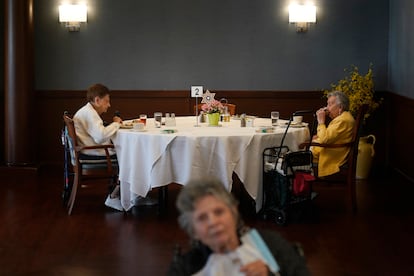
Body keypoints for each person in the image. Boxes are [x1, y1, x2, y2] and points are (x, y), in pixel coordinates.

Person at [168, 179, 310, 276]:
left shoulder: (269, 245)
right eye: (202, 218)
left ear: (234, 212)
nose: (213, 222)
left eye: (219, 212)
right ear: (193, 231)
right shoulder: (185, 269)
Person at [74, 83, 156, 211]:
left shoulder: (87, 111)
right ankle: (116, 196)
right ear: (97, 100)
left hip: (90, 150)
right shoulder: (89, 113)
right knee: (134, 158)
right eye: (106, 101)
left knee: (133, 155)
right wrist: (116, 123)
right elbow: (100, 136)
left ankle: (135, 194)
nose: (109, 105)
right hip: (93, 153)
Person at [311, 90, 355, 177]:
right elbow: (330, 136)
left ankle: (297, 188)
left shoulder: (343, 120)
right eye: (327, 104)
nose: (327, 108)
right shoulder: (343, 117)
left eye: (330, 104)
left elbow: (324, 140)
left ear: (340, 107)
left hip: (329, 157)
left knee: (292, 155)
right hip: (325, 151)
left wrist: (321, 122)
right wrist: (318, 137)